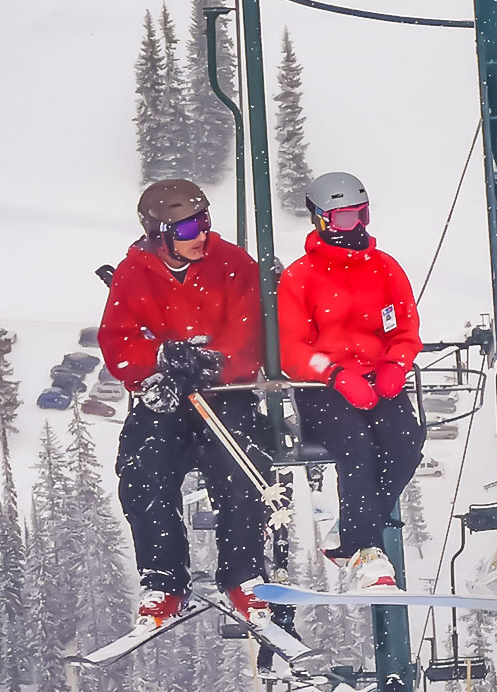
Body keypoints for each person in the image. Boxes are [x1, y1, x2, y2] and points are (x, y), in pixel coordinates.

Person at [99, 179, 274, 629]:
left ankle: (243, 573)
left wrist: (210, 362)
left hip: (223, 392)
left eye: (204, 223)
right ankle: (164, 579)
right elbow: (118, 342)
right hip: (167, 392)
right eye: (187, 228)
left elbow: (250, 331)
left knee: (241, 466)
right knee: (143, 469)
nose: (200, 235)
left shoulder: (232, 264)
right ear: (159, 234)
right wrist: (154, 364)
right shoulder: (134, 274)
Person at [277, 171, 425, 589]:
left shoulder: (384, 268)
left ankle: (350, 533)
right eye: (345, 219)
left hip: (377, 379)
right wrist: (335, 373)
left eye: (362, 215)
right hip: (324, 389)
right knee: (356, 447)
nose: (357, 227)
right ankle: (364, 549)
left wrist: (396, 364)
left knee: (405, 442)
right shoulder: (301, 277)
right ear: (321, 220)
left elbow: (405, 328)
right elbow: (293, 349)